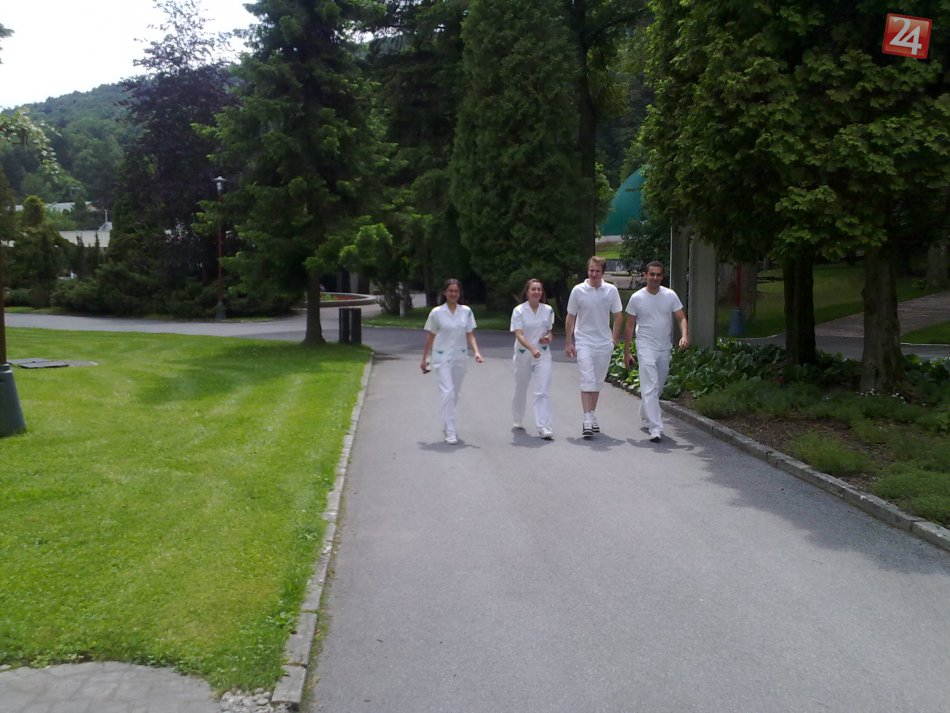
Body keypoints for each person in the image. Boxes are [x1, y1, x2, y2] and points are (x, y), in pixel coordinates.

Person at [623, 261, 689, 442]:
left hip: (664, 347)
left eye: (658, 275)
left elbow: (681, 318)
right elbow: (629, 326)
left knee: (657, 386)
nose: (655, 278)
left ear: (662, 276)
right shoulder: (637, 298)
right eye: (651, 274)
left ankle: (645, 412)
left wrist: (684, 336)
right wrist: (627, 352)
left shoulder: (670, 295)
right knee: (651, 385)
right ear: (645, 275)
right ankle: (656, 428)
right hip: (645, 346)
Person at [564, 256, 623, 437]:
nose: (594, 274)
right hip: (584, 341)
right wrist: (569, 341)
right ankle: (587, 419)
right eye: (591, 270)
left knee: (597, 382)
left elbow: (618, 316)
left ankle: (591, 415)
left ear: (602, 272)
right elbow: (571, 316)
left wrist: (613, 340)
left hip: (604, 342)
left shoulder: (611, 290)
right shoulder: (578, 290)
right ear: (587, 271)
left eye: (597, 271)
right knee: (587, 379)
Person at [420, 279, 484, 445]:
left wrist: (476, 352)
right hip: (441, 357)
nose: (453, 294)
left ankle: (447, 419)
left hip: (459, 357)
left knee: (454, 393)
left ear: (459, 293)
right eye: (450, 291)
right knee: (447, 392)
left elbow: (470, 334)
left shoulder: (466, 312)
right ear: (445, 292)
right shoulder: (436, 313)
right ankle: (450, 431)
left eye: (456, 291)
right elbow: (431, 336)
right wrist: (424, 358)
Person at [510, 278, 555, 439]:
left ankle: (543, 426)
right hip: (523, 354)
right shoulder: (519, 311)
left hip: (543, 354)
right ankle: (517, 418)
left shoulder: (548, 310)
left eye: (539, 289)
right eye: (533, 289)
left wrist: (548, 338)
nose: (536, 292)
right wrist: (532, 348)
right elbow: (519, 335)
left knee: (541, 391)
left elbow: (549, 331)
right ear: (527, 292)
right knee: (520, 388)